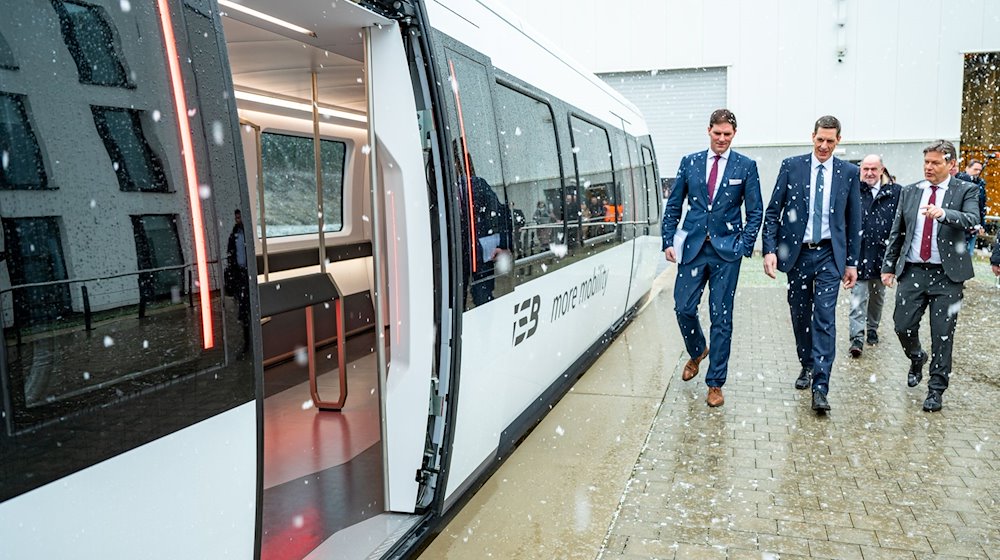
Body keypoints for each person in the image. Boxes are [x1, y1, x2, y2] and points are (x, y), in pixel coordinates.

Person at [661, 109, 763, 407]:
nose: (721, 139)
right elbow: (674, 205)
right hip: (692, 249)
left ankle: (715, 382)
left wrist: (744, 244)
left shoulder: (745, 166)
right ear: (709, 131)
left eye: (727, 134)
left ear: (734, 134)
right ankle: (697, 349)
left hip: (726, 253)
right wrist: (669, 240)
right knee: (683, 308)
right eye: (717, 133)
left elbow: (755, 210)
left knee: (722, 318)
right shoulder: (689, 162)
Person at [761, 115, 861, 414]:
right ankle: (806, 363)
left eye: (830, 141)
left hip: (831, 255)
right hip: (798, 255)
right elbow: (773, 212)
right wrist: (769, 250)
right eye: (820, 139)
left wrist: (852, 262)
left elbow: (854, 220)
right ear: (812, 136)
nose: (824, 146)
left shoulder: (848, 173)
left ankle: (821, 386)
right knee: (800, 314)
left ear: (838, 141)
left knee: (825, 317)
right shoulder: (792, 166)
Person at [881, 140, 980, 412]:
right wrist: (889, 266)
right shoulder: (911, 191)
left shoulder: (966, 190)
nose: (929, 167)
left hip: (947, 277)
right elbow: (898, 231)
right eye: (926, 162)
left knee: (942, 334)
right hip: (912, 271)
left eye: (936, 162)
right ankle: (916, 357)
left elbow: (973, 219)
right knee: (902, 326)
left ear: (951, 165)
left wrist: (945, 213)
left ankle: (936, 389)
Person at [848, 155, 901, 357]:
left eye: (873, 169)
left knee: (877, 297)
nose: (869, 173)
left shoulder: (895, 193)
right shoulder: (854, 190)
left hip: (882, 255)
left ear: (882, 170)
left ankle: (872, 327)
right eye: (865, 169)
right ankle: (856, 338)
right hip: (858, 254)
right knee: (858, 297)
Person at [225, 209, 251, 353]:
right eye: (236, 218)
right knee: (244, 308)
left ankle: (248, 341)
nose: (238, 219)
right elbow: (231, 254)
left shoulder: (244, 234)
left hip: (246, 273)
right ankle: (247, 341)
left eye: (239, 217)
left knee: (246, 306)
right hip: (241, 273)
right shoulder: (235, 234)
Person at [955, 159, 987, 254]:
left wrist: (981, 224)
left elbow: (981, 206)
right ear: (967, 168)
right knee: (958, 254)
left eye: (979, 170)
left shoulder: (980, 184)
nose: (977, 172)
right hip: (960, 224)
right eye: (975, 169)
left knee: (969, 254)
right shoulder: (959, 180)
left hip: (974, 225)